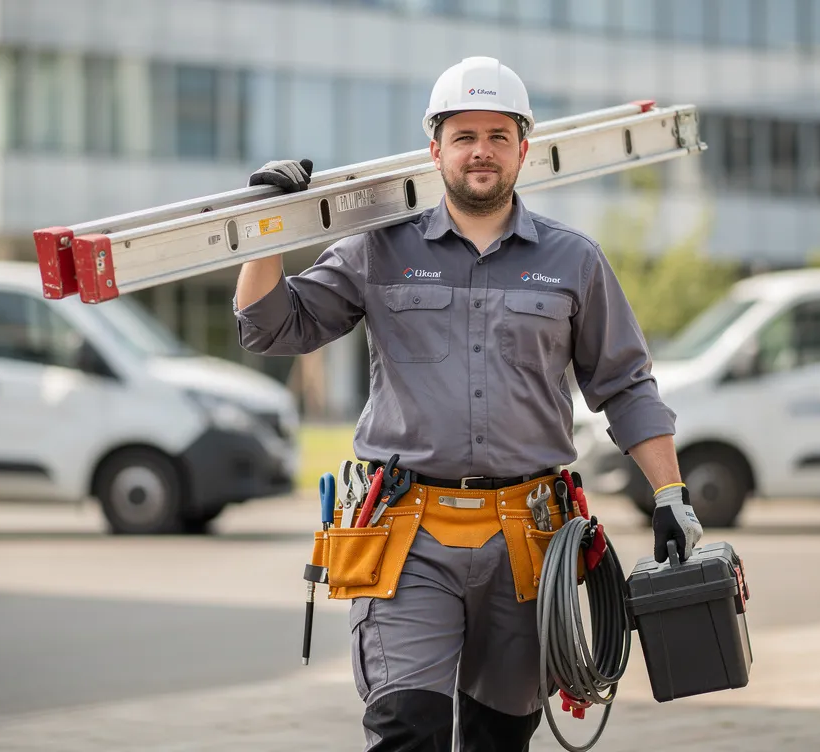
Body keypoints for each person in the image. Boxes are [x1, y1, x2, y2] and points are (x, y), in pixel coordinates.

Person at [234, 56, 702, 752]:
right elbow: (270, 328)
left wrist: (670, 495)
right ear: (436, 150)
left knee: (499, 738)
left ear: (524, 149)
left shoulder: (574, 261)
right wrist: (265, 229)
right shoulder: (377, 250)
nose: (480, 151)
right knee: (406, 727)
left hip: (527, 541)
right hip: (407, 537)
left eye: (497, 136)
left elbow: (626, 385)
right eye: (464, 137)